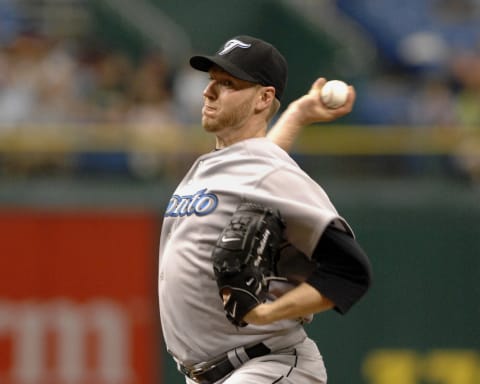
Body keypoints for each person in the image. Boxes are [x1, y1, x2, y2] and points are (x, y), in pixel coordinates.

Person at [158, 35, 372, 384]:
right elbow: (258, 166)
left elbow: (349, 272)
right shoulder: (229, 164)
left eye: (227, 83)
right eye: (211, 80)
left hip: (266, 364)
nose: (209, 91)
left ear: (264, 98)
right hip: (210, 373)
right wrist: (297, 116)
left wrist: (267, 313)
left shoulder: (274, 174)